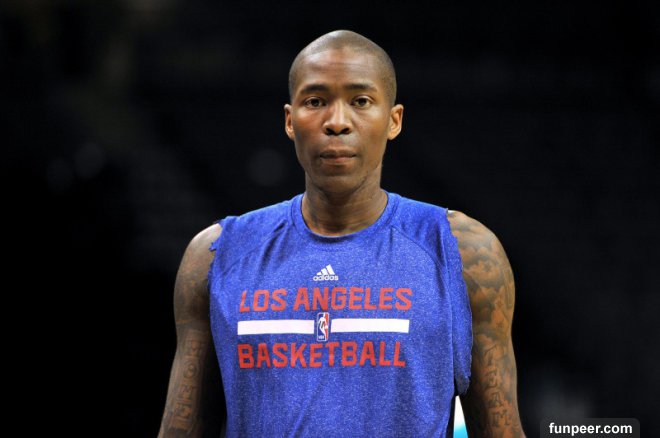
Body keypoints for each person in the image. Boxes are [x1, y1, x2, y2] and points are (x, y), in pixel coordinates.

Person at [158, 30, 525, 437]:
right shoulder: (216, 255)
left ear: (394, 120)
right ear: (290, 121)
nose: (336, 122)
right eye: (315, 101)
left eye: (360, 101)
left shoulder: (462, 252)